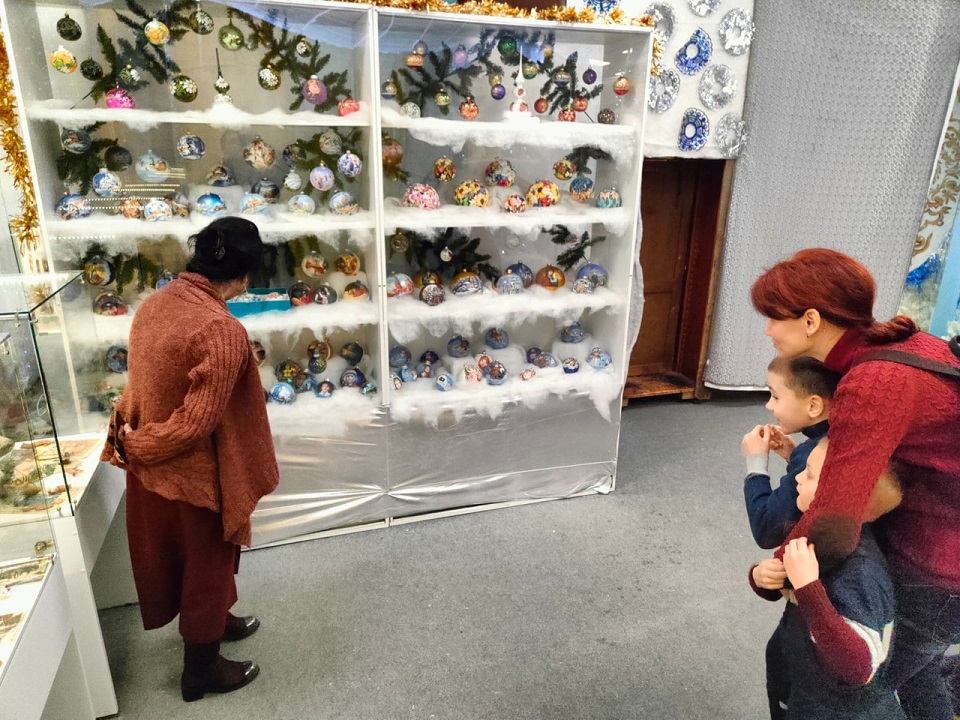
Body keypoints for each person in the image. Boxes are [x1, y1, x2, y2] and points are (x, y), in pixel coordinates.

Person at [751, 248, 960, 719]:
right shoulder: (904, 345)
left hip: (933, 569)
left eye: (773, 317)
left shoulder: (873, 380)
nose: (767, 330)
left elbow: (835, 520)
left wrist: (770, 574)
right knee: (920, 673)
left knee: (856, 696)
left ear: (810, 321)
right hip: (940, 558)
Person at [101, 217, 279, 702]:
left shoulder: (155, 304)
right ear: (244, 276)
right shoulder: (221, 329)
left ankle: (217, 620)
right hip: (191, 473)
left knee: (196, 561)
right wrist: (140, 446)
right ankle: (201, 670)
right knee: (207, 564)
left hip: (152, 467)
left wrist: (132, 443)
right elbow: (194, 424)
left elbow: (148, 383)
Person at [750, 438, 904, 719]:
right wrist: (761, 577)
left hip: (831, 705)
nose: (797, 477)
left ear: (841, 497)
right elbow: (785, 585)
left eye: (808, 474)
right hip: (797, 666)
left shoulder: (862, 573)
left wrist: (808, 588)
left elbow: (857, 669)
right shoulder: (818, 529)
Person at [741, 355, 838, 549]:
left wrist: (756, 463)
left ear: (813, 406)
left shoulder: (811, 453)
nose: (769, 405)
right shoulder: (833, 435)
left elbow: (766, 529)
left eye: (776, 397)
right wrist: (792, 454)